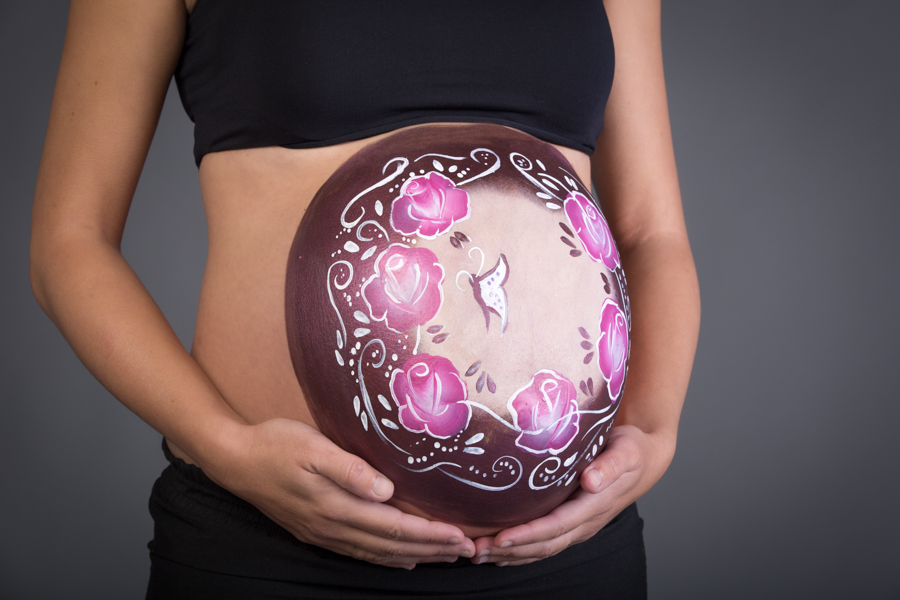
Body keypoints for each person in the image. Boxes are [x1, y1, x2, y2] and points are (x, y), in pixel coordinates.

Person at [30, 0, 699, 597]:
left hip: (567, 553)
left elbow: (652, 232)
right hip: (274, 549)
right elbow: (70, 241)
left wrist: (654, 432)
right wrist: (228, 448)